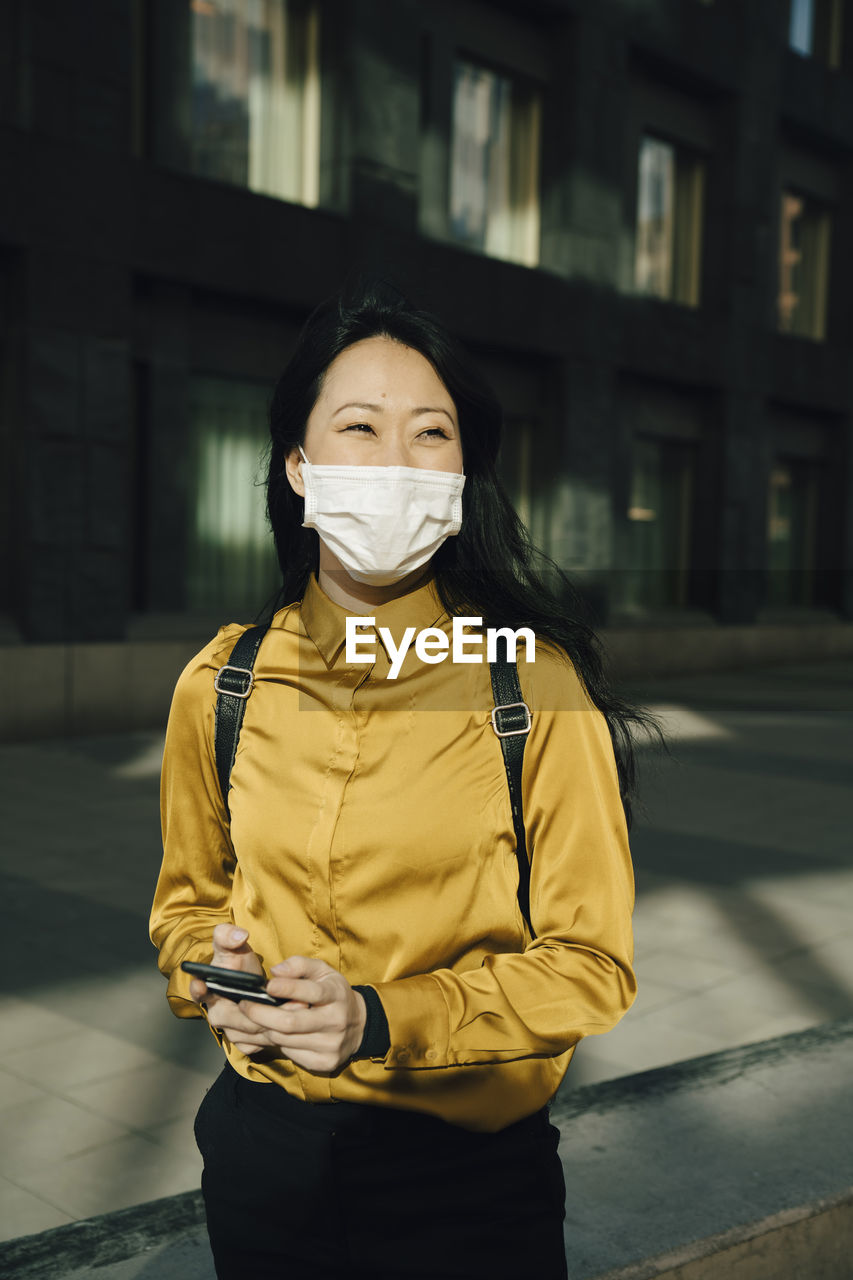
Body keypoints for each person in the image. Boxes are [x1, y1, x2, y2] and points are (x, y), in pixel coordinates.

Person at [149, 282, 661, 1280]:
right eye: (359, 425)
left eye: (431, 431)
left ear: (462, 471)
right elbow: (185, 904)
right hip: (266, 1163)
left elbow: (591, 964)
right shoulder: (221, 682)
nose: (394, 459)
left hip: (464, 1185)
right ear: (299, 468)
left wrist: (377, 1018)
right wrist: (217, 985)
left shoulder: (530, 682)